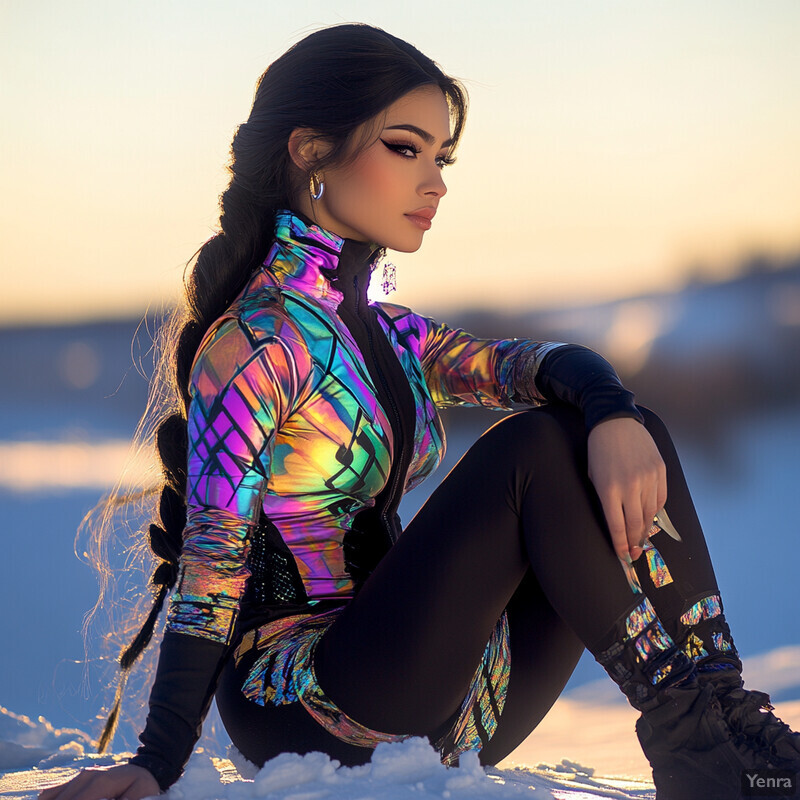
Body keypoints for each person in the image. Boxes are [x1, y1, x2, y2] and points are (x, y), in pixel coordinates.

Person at [39, 23, 799, 800]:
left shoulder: (391, 332)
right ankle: (695, 743)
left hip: (439, 692)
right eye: (407, 148)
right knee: (536, 450)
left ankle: (729, 725)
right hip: (305, 702)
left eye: (441, 157)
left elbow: (530, 368)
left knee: (620, 426)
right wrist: (157, 759)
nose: (435, 182)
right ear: (308, 151)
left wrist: (609, 407)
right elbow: (213, 562)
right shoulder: (256, 341)